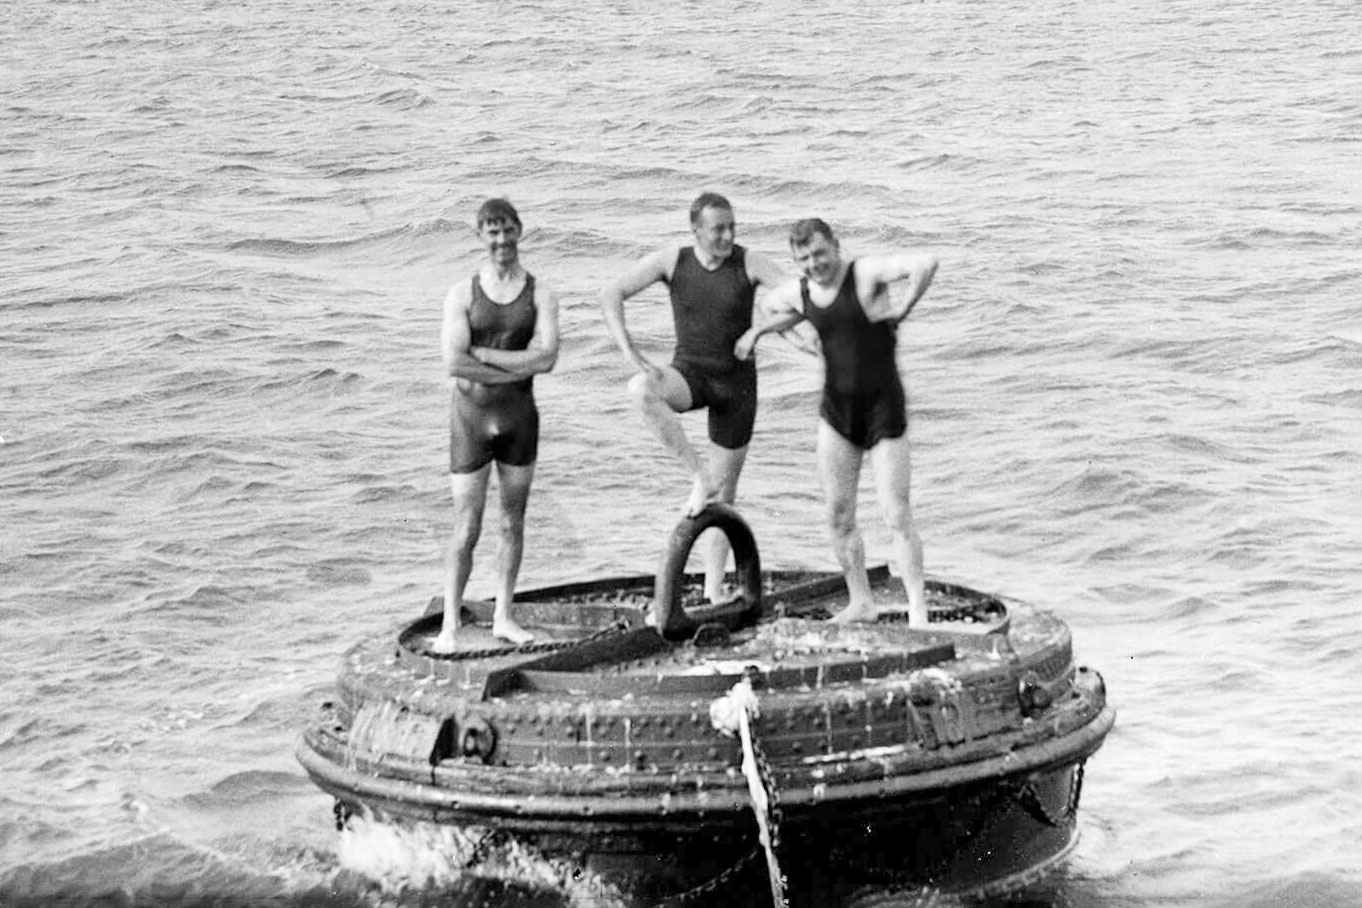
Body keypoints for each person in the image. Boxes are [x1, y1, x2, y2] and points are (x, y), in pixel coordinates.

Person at [734, 218, 938, 625]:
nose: (815, 264)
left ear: (836, 246)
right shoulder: (802, 290)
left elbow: (925, 262)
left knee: (896, 513)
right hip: (837, 414)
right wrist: (787, 336)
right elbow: (769, 306)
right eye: (804, 258)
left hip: (884, 410)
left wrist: (903, 307)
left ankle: (917, 609)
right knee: (838, 515)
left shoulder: (863, 274)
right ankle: (861, 601)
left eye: (820, 253)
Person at [600, 193, 789, 602]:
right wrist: (630, 351)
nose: (727, 236)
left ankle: (714, 589)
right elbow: (611, 293)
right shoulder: (674, 260)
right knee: (641, 389)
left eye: (732, 227)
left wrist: (760, 330)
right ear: (696, 230)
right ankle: (696, 472)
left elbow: (802, 294)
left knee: (725, 496)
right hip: (690, 375)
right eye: (718, 229)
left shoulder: (749, 261)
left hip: (736, 388)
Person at [434, 198, 560, 652]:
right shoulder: (463, 294)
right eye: (492, 231)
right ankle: (450, 622)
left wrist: (485, 356)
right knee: (467, 525)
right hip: (471, 418)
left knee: (513, 522)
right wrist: (515, 367)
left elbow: (548, 358)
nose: (502, 240)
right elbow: (454, 363)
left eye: (508, 230)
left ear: (520, 231)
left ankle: (503, 617)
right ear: (480, 236)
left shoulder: (541, 294)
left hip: (519, 418)